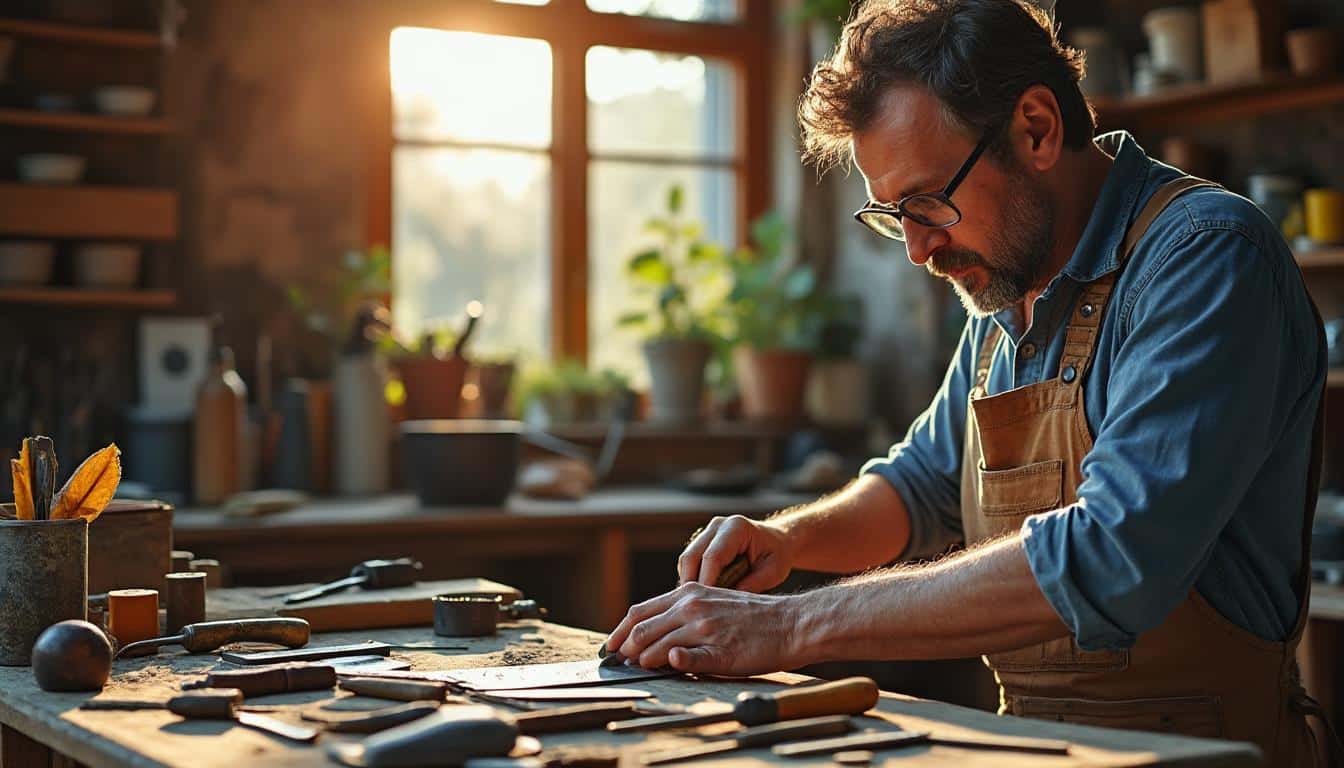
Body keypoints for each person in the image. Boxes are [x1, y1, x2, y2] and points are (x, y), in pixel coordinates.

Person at [602, 0, 1328, 762]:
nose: (917, 250)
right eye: (893, 215)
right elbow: (922, 487)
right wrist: (788, 539)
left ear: (1037, 129)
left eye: (926, 202)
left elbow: (1113, 558)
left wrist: (790, 626)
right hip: (1038, 748)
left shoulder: (1206, 258)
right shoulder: (1004, 287)